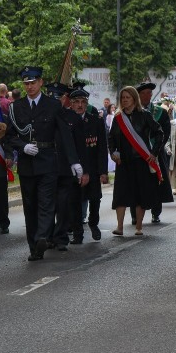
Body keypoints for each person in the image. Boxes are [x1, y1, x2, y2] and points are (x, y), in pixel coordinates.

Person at [3, 66, 79, 260]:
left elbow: (64, 134)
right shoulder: (16, 107)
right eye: (26, 83)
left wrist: (73, 161)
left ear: (40, 83)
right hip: (28, 162)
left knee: (46, 202)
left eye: (33, 83)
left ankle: (42, 237)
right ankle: (34, 247)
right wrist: (22, 146)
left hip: (48, 159)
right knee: (30, 205)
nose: (29, 87)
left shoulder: (53, 105)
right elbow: (10, 135)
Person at [108, 86, 164, 236]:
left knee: (141, 195)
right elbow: (111, 138)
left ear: (134, 98)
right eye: (122, 98)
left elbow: (159, 133)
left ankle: (139, 226)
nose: (125, 100)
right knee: (121, 195)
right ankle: (119, 227)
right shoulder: (118, 118)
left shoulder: (144, 115)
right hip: (123, 162)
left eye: (128, 97)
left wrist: (154, 152)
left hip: (141, 160)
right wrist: (113, 153)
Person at [44, 81, 87, 252]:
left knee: (63, 205)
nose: (55, 100)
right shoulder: (43, 116)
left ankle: (61, 237)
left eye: (58, 97)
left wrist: (80, 167)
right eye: (51, 96)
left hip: (65, 168)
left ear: (65, 99)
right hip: (45, 167)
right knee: (47, 205)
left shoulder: (72, 118)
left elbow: (79, 146)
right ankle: (46, 236)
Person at [70, 85, 108, 242]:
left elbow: (101, 148)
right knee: (75, 201)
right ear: (71, 103)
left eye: (83, 102)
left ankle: (93, 223)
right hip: (73, 168)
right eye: (76, 102)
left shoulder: (95, 121)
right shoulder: (67, 120)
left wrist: (103, 171)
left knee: (94, 198)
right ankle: (77, 232)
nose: (79, 105)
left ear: (87, 103)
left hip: (92, 167)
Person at [131, 82, 173, 224]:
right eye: (143, 93)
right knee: (136, 183)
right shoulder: (131, 112)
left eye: (149, 93)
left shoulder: (160, 112)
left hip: (155, 152)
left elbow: (166, 131)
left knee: (157, 181)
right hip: (137, 153)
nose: (146, 96)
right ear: (138, 95)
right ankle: (135, 215)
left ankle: (156, 212)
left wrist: (156, 148)